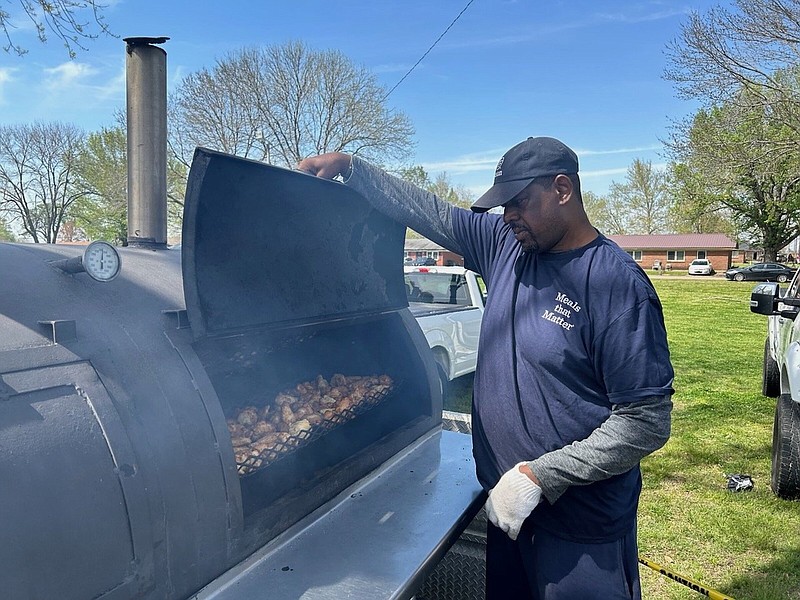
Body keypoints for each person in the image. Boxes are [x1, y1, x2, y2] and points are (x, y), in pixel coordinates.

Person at [297, 136, 674, 600]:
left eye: (519, 202)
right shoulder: (506, 244)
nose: (508, 215)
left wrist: (541, 476)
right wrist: (353, 168)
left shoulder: (615, 285)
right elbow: (431, 212)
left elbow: (645, 422)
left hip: (580, 532)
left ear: (562, 190)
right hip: (507, 511)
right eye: (503, 206)